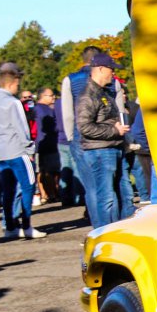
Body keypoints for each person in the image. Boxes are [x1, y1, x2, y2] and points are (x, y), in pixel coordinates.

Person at [77, 51, 135, 230]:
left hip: (110, 149)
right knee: (106, 197)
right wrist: (114, 130)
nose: (113, 74)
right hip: (101, 152)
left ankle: (115, 230)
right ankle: (104, 234)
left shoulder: (102, 93)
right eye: (111, 69)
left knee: (116, 195)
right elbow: (84, 127)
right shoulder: (89, 96)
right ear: (100, 69)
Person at [0, 62, 45, 239]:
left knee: (8, 190)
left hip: (1, 152)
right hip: (18, 151)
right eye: (17, 84)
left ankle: (10, 226)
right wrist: (30, 149)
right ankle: (26, 225)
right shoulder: (12, 103)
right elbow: (22, 129)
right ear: (12, 83)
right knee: (28, 186)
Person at [61, 45, 102, 223]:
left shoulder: (70, 80)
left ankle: (94, 220)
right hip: (105, 134)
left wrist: (71, 137)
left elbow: (68, 113)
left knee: (90, 184)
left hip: (80, 135)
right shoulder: (107, 78)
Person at [32, 87, 62, 206]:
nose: (53, 97)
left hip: (41, 143)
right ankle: (52, 194)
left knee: (44, 170)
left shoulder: (37, 109)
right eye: (51, 95)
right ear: (42, 96)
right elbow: (52, 127)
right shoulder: (44, 110)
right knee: (50, 171)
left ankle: (47, 194)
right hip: (48, 143)